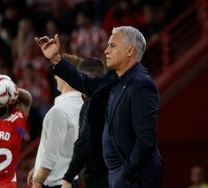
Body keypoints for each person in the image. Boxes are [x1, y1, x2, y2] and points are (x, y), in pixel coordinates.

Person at [35, 25, 164, 188]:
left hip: (134, 180)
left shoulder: (141, 84)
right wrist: (56, 59)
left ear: (130, 51)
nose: (106, 50)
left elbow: (146, 140)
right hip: (114, 176)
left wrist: (125, 175)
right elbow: (85, 82)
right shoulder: (114, 78)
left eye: (113, 45)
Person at [27, 54, 84, 188]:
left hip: (54, 183)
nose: (54, 76)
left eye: (57, 72)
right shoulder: (82, 106)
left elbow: (50, 158)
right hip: (70, 180)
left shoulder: (58, 111)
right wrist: (37, 167)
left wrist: (37, 181)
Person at [62, 57, 108, 188]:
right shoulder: (113, 98)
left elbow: (84, 144)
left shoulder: (92, 104)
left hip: (99, 178)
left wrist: (68, 177)